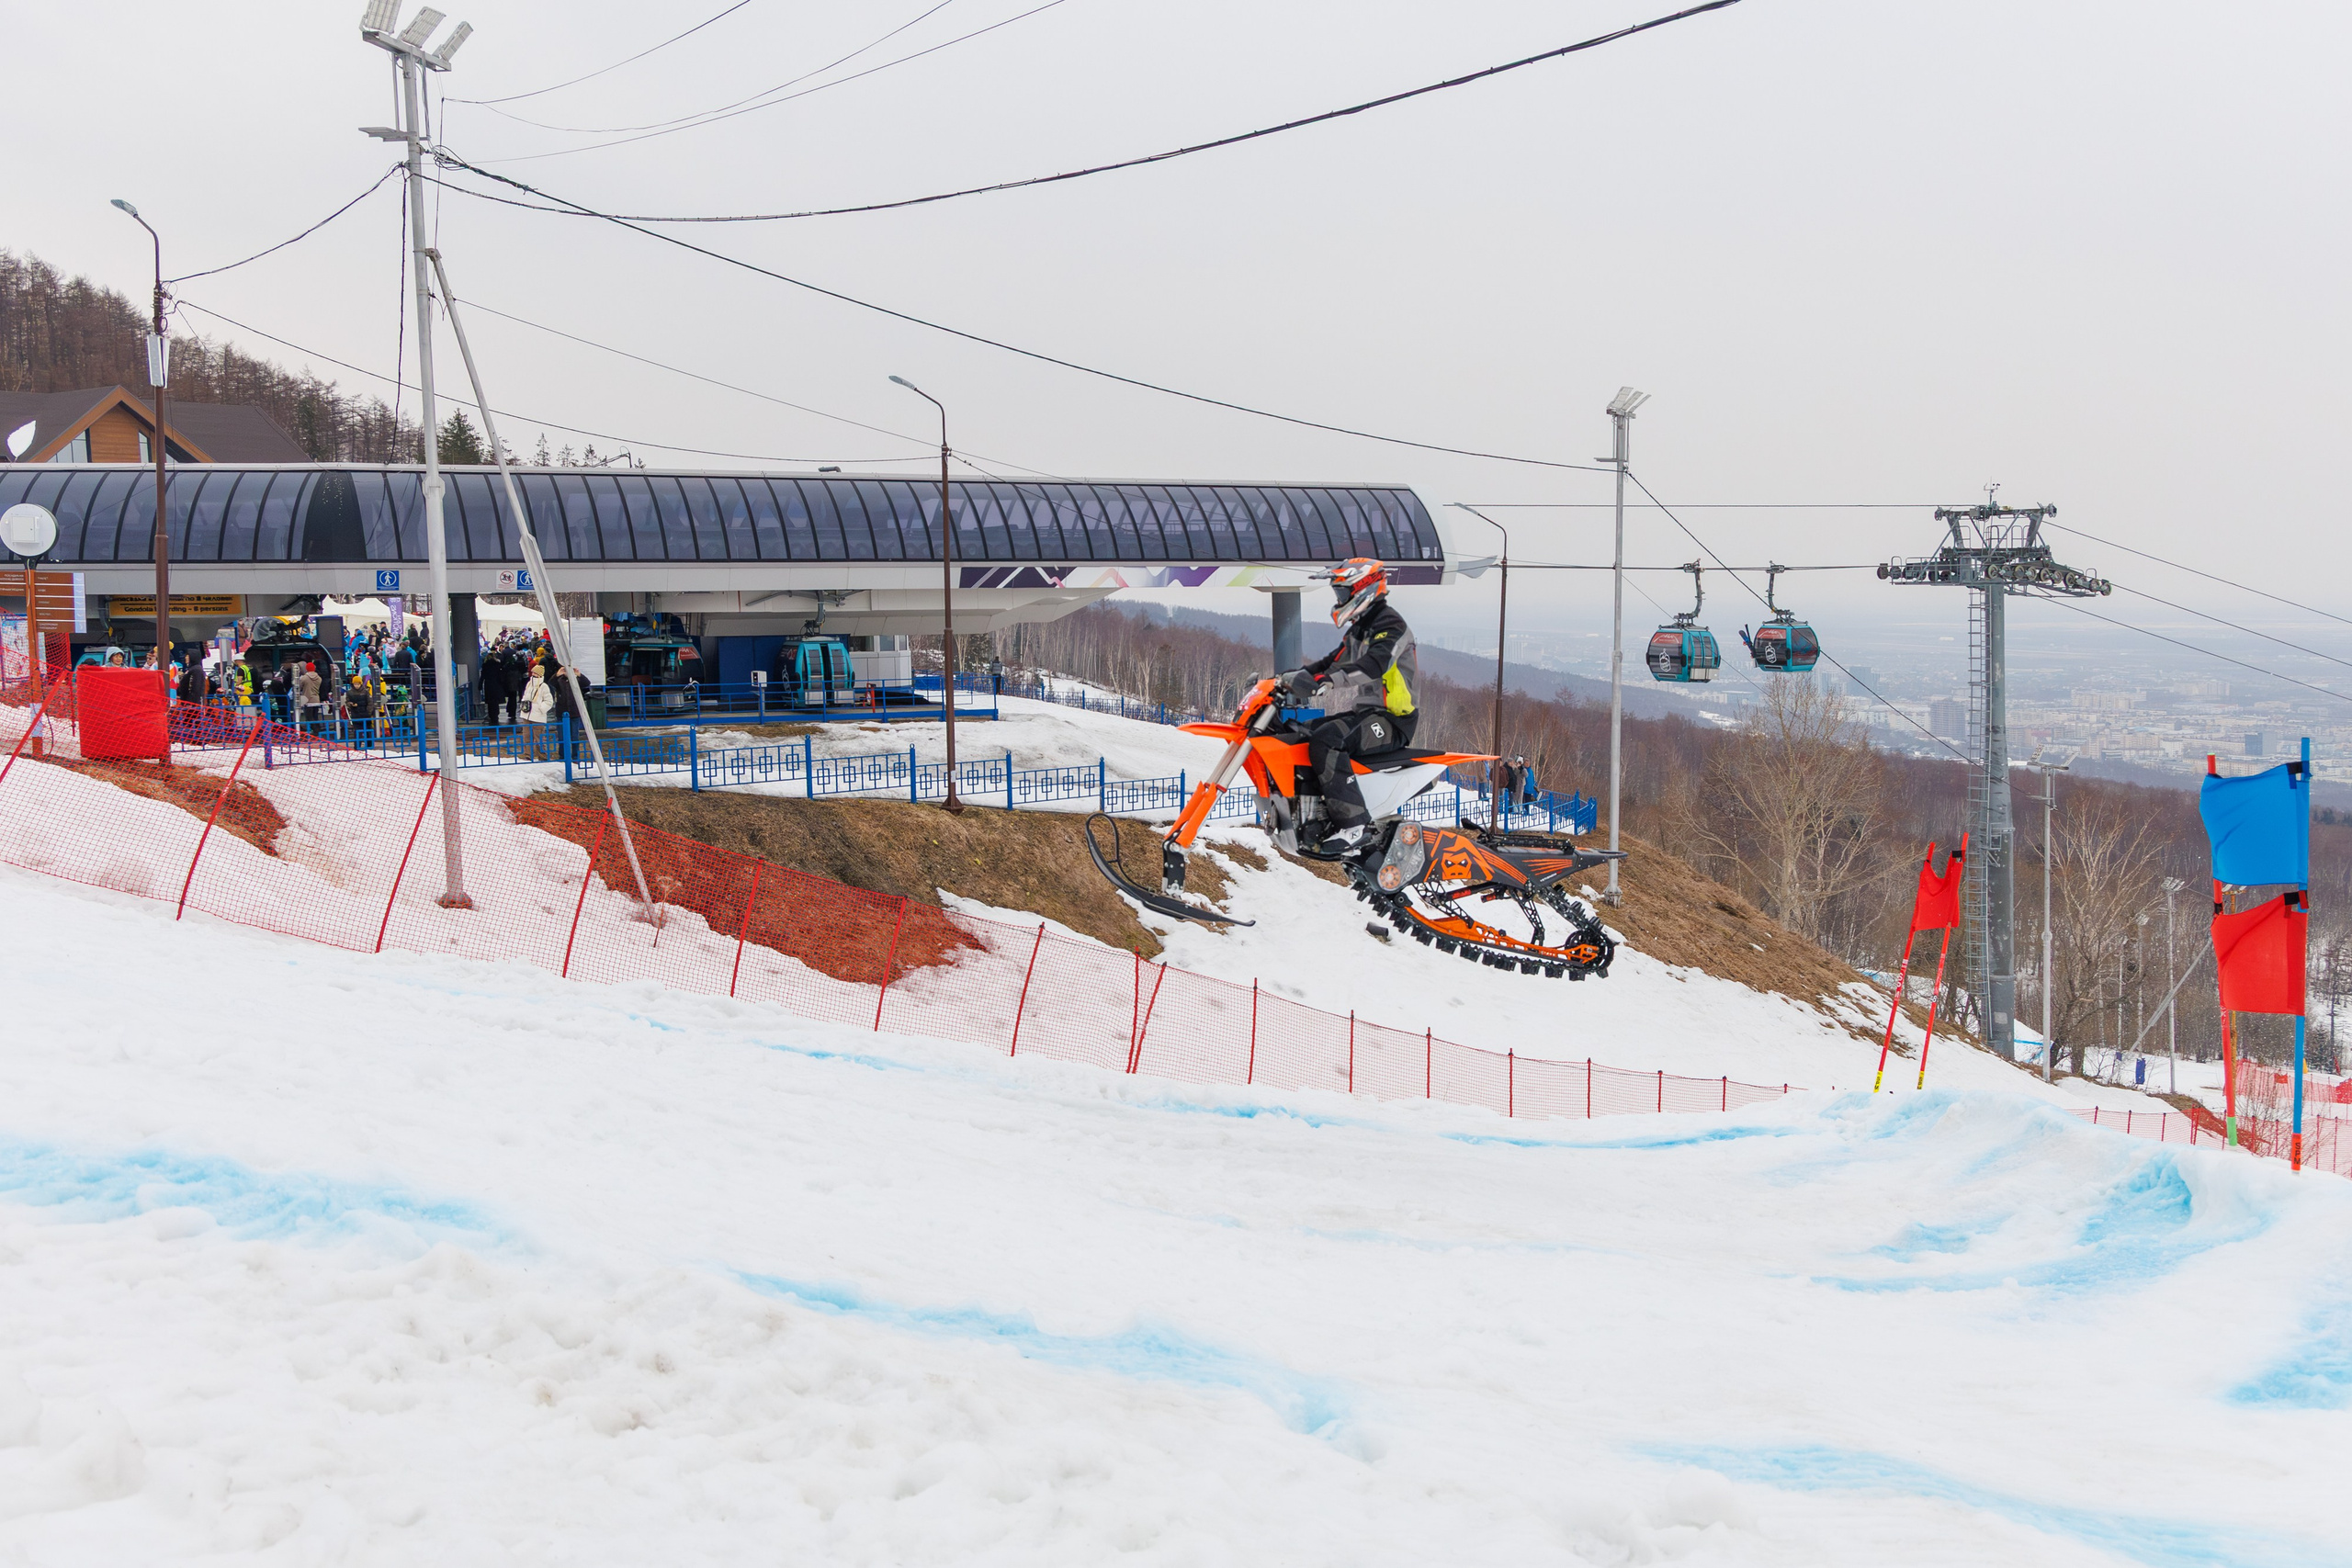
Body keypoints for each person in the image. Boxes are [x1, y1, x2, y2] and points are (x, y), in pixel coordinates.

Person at [1284, 557, 1419, 857]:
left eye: (1342, 592)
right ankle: (1312, 818)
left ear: (1363, 588)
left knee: (1327, 739)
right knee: (1303, 732)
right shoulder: (1361, 629)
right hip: (1368, 714)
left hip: (1395, 721)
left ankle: (1354, 826)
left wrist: (1329, 682)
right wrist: (1286, 679)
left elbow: (1374, 665)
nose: (1339, 599)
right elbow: (1332, 661)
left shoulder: (1391, 625)